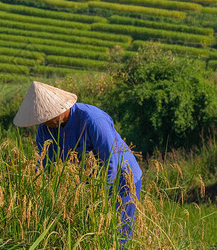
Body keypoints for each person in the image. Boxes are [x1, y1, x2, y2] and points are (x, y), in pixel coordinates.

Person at [13, 81, 142, 245]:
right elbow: (45, 165)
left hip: (121, 178)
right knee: (88, 232)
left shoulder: (93, 120)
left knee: (117, 234)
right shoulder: (45, 129)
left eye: (48, 117)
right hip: (86, 182)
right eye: (42, 119)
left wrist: (100, 197)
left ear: (60, 109)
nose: (46, 123)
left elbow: (110, 163)